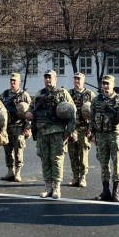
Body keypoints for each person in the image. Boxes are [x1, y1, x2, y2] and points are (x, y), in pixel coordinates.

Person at [31, 69, 75, 199]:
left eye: (50, 77)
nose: (48, 80)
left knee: (56, 159)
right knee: (45, 159)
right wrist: (28, 113)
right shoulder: (40, 94)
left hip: (57, 132)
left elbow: (73, 113)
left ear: (56, 79)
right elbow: (31, 109)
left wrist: (69, 131)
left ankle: (56, 187)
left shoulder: (63, 93)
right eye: (46, 77)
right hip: (42, 132)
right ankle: (48, 187)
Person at [88, 75, 119, 202]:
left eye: (108, 83)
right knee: (103, 164)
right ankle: (105, 191)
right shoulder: (96, 100)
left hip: (115, 135)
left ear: (112, 85)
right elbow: (91, 118)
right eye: (104, 83)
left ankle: (115, 192)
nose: (105, 86)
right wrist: (92, 134)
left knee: (117, 163)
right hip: (101, 136)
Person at [0, 72, 32, 182]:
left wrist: (27, 128)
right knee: (7, 150)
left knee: (18, 150)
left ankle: (17, 172)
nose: (13, 82)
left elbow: (30, 112)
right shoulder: (5, 94)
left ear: (19, 82)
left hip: (18, 127)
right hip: (6, 127)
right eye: (11, 80)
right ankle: (10, 171)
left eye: (15, 81)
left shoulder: (24, 95)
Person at [67, 72, 96, 188]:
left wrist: (91, 130)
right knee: (72, 154)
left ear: (83, 81)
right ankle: (75, 177)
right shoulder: (69, 94)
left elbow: (94, 113)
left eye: (79, 79)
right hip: (72, 129)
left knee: (83, 154)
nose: (77, 81)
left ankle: (83, 177)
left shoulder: (89, 94)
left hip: (84, 129)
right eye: (75, 79)